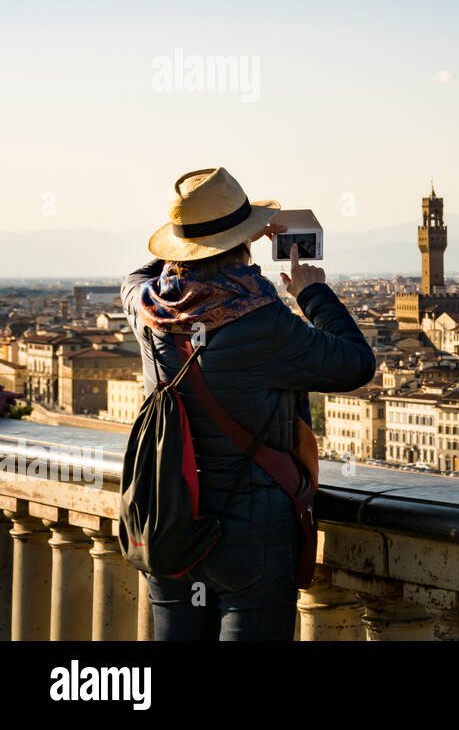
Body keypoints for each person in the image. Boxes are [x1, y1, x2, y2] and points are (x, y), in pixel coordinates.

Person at [121, 167, 375, 640]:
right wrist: (312, 292)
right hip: (253, 534)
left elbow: (137, 275)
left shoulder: (148, 309)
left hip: (170, 526)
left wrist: (203, 238)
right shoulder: (265, 321)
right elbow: (356, 364)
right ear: (246, 242)